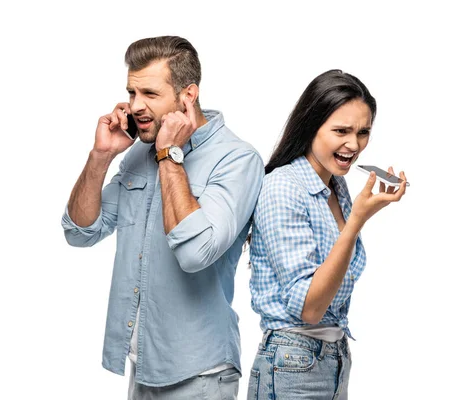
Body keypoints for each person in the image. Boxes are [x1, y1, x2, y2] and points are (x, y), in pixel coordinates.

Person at [61, 36, 264, 399]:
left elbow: (195, 252)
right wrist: (101, 156)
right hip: (144, 367)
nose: (136, 106)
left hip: (199, 374)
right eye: (132, 92)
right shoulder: (139, 154)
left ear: (187, 96)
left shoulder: (237, 159)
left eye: (150, 95)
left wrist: (169, 154)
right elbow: (80, 232)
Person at [247, 70, 407, 399]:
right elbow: (310, 308)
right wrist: (357, 220)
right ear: (311, 126)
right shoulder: (282, 187)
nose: (354, 144)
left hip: (332, 357)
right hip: (293, 361)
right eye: (341, 131)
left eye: (363, 132)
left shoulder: (336, 185)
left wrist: (357, 216)